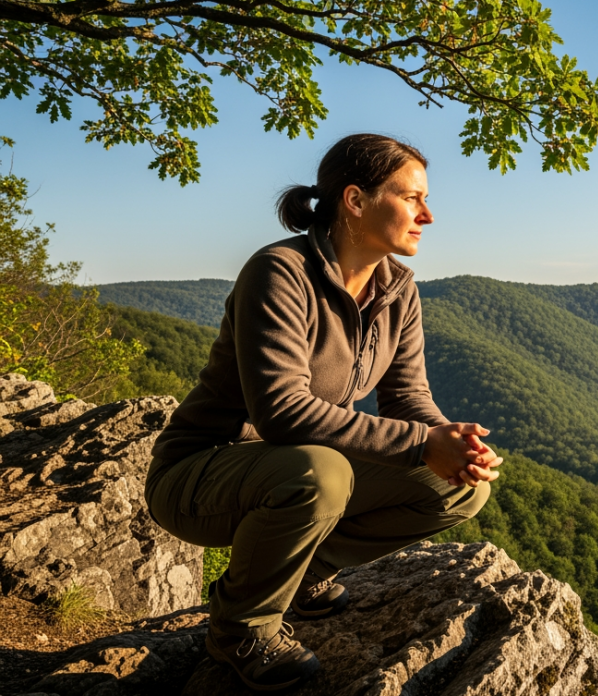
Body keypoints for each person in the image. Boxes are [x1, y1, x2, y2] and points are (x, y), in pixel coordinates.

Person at [145, 133, 501, 691]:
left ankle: (303, 572)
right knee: (321, 471)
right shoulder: (280, 272)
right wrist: (418, 444)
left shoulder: (397, 290)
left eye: (425, 201)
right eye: (412, 198)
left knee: (458, 487)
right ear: (355, 200)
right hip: (201, 475)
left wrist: (450, 440)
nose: (427, 215)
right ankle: (240, 628)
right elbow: (281, 411)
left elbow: (406, 396)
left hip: (296, 470)